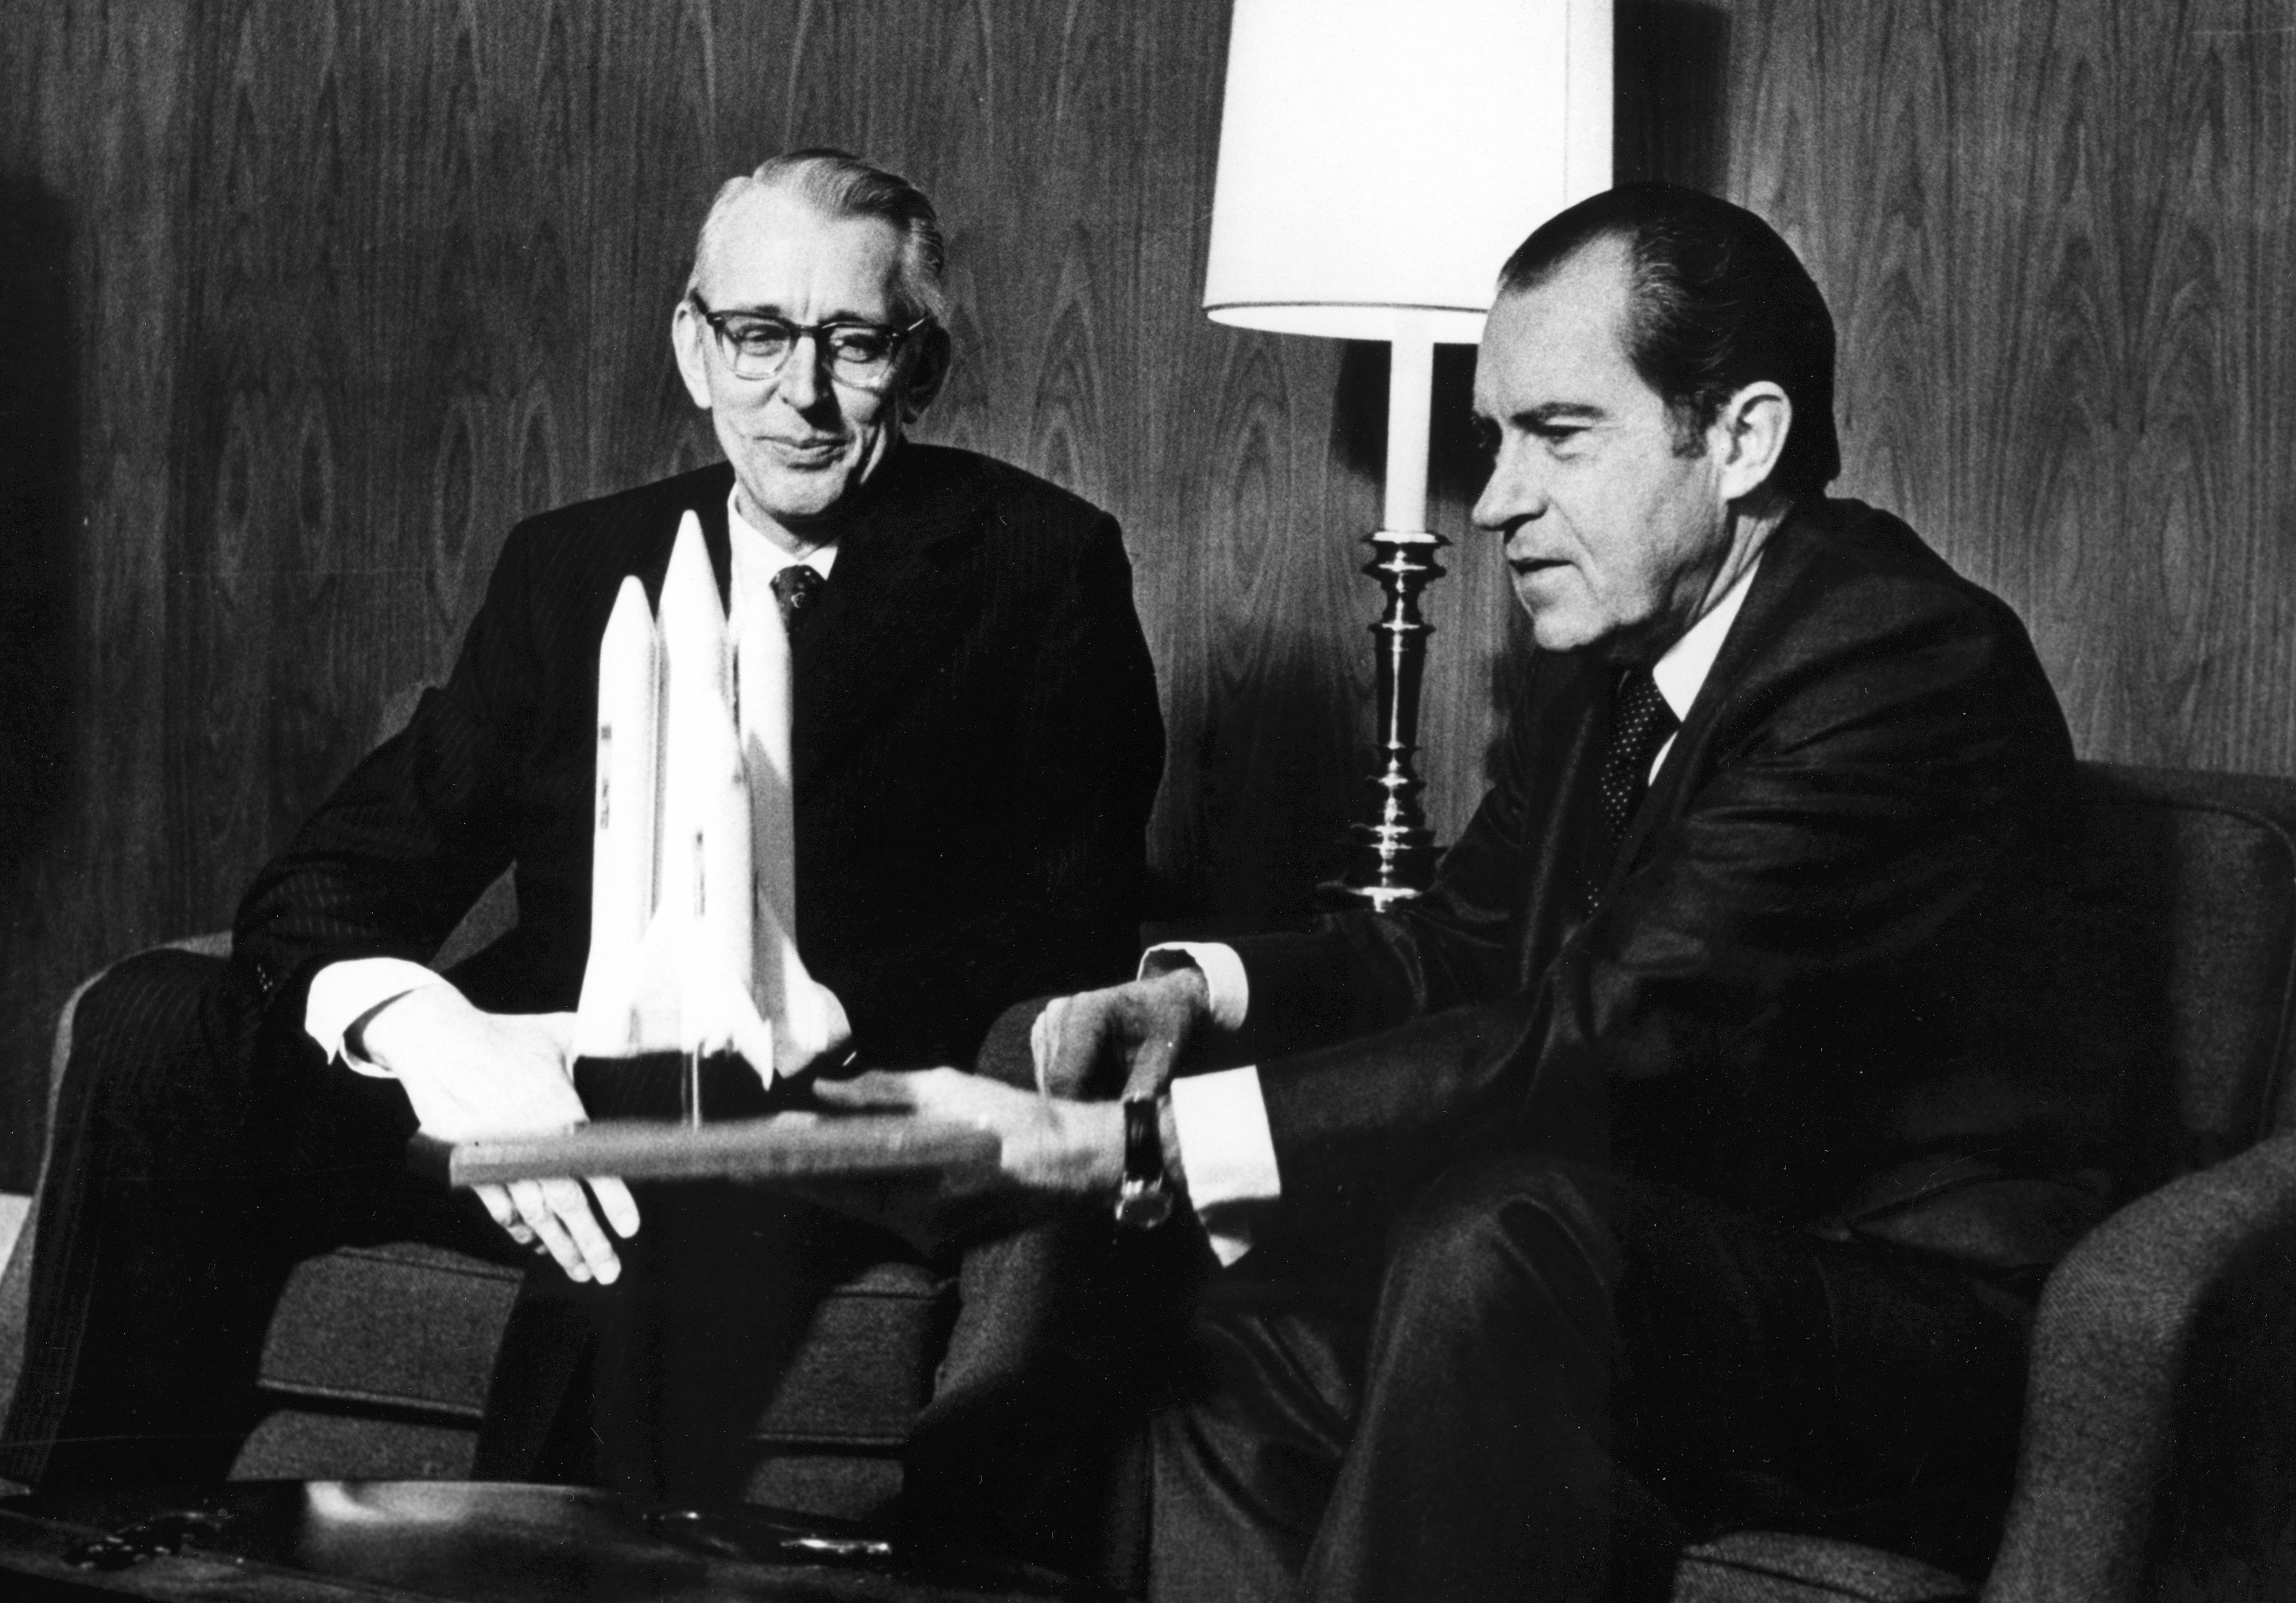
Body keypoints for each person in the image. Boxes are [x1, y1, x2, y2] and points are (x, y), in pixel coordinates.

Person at [822, 184, 2125, 1601]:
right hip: (1666, 1272)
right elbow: (1466, 943)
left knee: (1496, 1229)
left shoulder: (1894, 666)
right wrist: (1201, 992)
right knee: (1236, 1322)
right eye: (1492, 440)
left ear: (1740, 438)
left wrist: (1135, 1147)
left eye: (1558, 435)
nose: (1496, 499)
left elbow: (1612, 1035)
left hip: (1906, 1337)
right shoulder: (1621, 656)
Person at [0, 148, 1167, 1499]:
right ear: (692, 344)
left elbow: (1064, 931)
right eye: (757, 335)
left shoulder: (1039, 565)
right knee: (156, 1021)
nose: (798, 391)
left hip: (774, 1125)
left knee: (647, 1212)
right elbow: (341, 871)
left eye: (850, 343)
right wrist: (431, 1035)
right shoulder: (575, 565)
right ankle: (83, 1538)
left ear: (918, 365)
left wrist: (719, 1050)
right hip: (504, 1095)